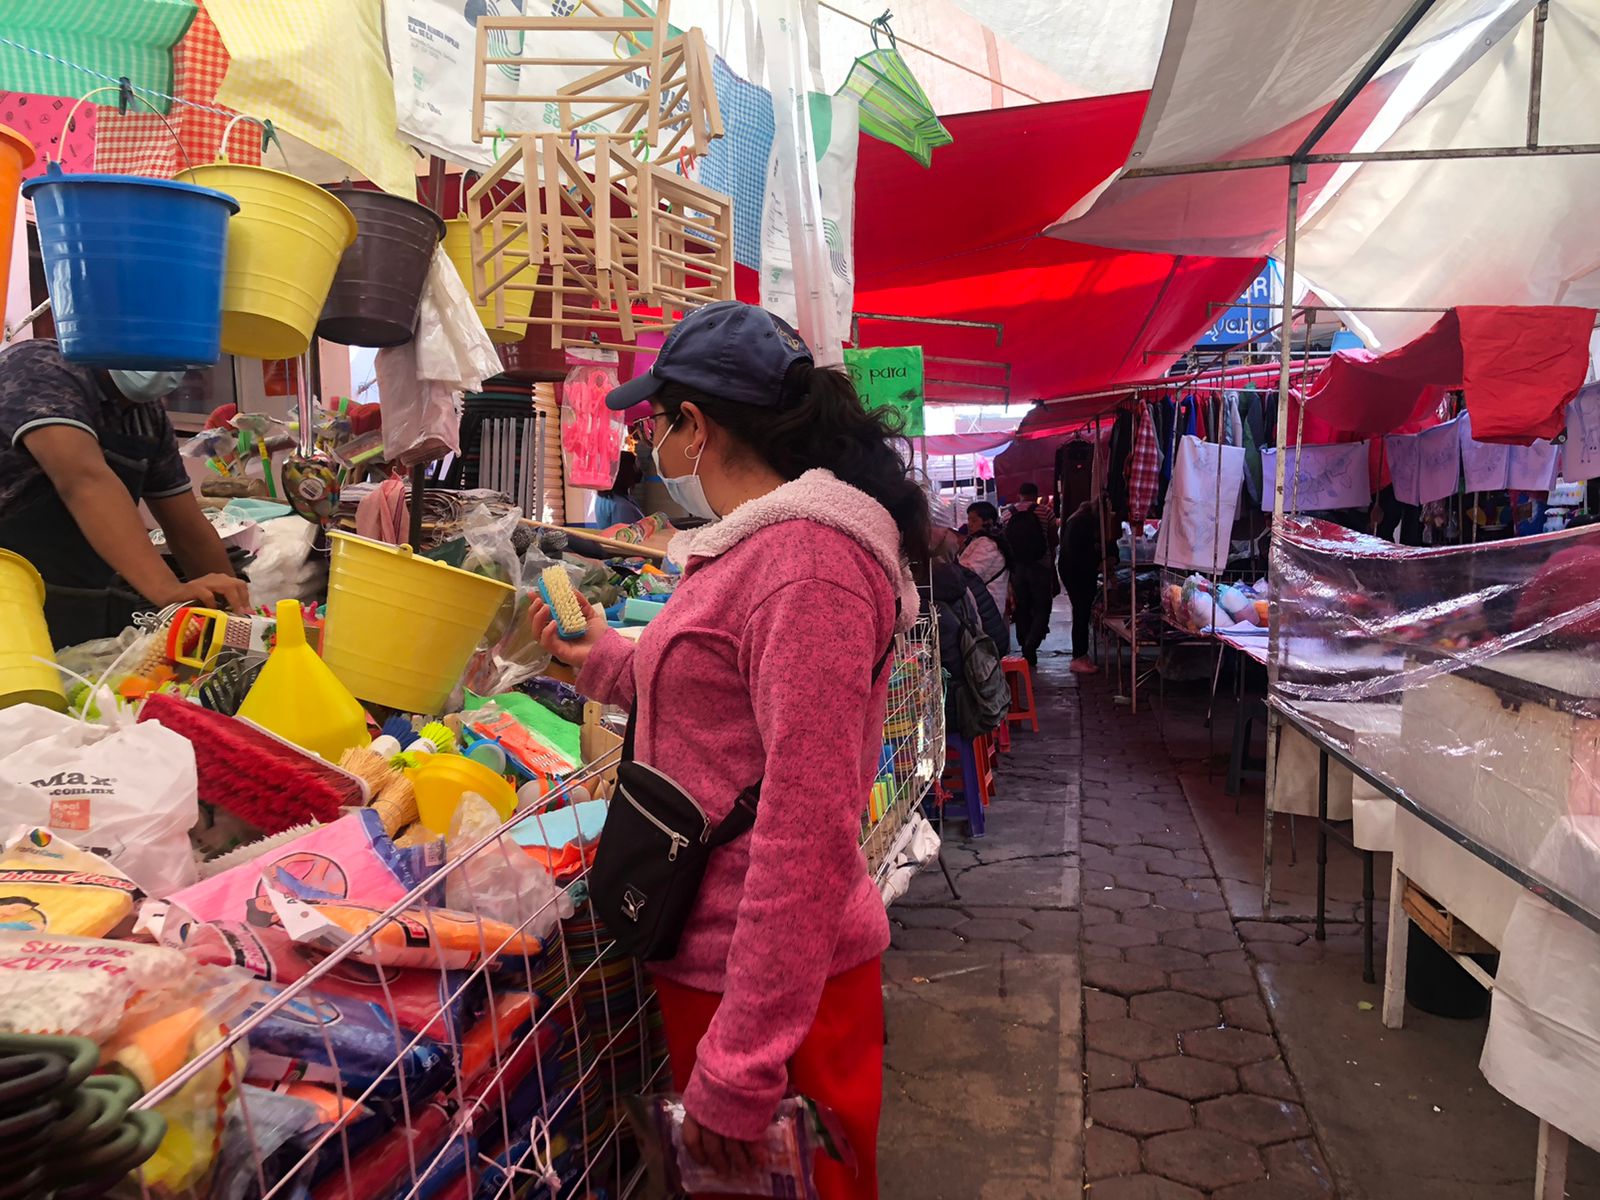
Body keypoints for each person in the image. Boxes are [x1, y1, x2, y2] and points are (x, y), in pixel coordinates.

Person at [531, 301, 928, 1200]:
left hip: (774, 995)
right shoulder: (759, 553)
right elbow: (727, 714)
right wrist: (605, 662)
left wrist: (742, 1066)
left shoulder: (807, 566)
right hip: (729, 974)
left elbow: (808, 823)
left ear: (696, 428)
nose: (656, 454)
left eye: (657, 427)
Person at [0, 340, 249, 647]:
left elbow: (187, 529)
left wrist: (237, 619)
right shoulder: (42, 368)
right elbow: (84, 481)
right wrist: (168, 589)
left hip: (81, 603)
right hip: (9, 601)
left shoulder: (149, 417)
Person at [1004, 482, 1056, 668]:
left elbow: (1005, 542)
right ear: (1036, 495)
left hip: (1017, 568)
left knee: (1022, 608)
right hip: (1041, 567)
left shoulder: (1007, 513)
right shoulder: (1045, 512)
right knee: (1042, 608)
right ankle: (1031, 645)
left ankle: (1024, 642)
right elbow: (1053, 540)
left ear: (1019, 495)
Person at [1059, 499, 1102, 674]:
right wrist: (1098, 561)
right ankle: (1079, 657)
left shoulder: (1075, 520)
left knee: (1080, 613)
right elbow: (1083, 554)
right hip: (1078, 574)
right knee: (1081, 614)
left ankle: (1080, 655)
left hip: (1071, 572)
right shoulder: (1083, 524)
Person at [960, 500, 1010, 618]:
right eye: (968, 520)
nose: (969, 524)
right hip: (988, 604)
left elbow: (970, 571)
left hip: (986, 605)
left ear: (988, 522)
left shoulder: (986, 544)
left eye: (974, 520)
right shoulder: (984, 540)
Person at [594, 448, 645, 528]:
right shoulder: (622, 506)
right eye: (635, 466)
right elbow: (625, 537)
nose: (639, 470)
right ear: (625, 472)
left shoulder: (604, 497)